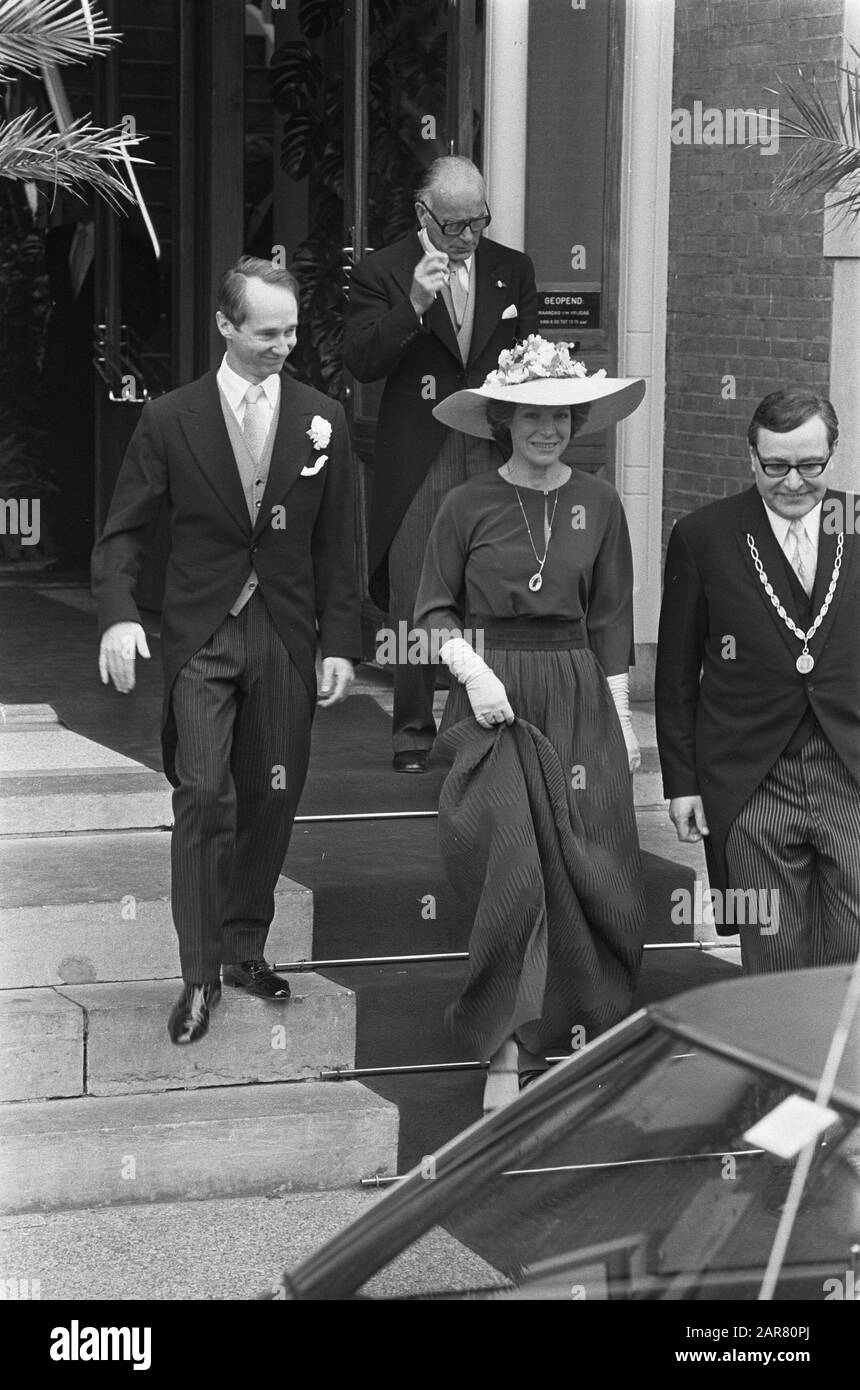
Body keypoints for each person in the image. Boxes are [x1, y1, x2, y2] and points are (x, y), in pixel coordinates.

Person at [91, 257, 360, 1044]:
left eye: (293, 331)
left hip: (284, 634)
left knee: (273, 794)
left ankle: (246, 947)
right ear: (226, 326)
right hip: (202, 634)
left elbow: (342, 542)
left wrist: (341, 643)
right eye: (268, 333)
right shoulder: (171, 419)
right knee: (204, 793)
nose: (285, 346)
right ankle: (199, 973)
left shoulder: (323, 419)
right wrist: (115, 615)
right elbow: (124, 532)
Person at [413, 336, 648, 1111]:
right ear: (504, 419)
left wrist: (621, 715)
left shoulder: (603, 502)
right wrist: (472, 672)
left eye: (563, 417)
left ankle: (595, 1035)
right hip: (494, 697)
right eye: (533, 416)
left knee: (594, 860)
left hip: (579, 693)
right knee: (511, 867)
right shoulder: (465, 505)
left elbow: (612, 618)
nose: (549, 430)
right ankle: (504, 1050)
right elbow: (432, 608)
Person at [343, 155, 539, 772]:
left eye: (477, 221)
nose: (467, 237)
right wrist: (415, 304)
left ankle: (471, 723)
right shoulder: (382, 270)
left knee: (483, 585)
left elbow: (530, 352)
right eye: (454, 225)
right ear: (423, 214)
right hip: (419, 451)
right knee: (413, 589)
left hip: (487, 444)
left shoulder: (513, 268)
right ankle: (410, 729)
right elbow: (362, 359)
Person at [655, 390, 860, 973]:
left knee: (853, 951)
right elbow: (675, 673)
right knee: (772, 951)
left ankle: (846, 1067)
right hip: (748, 776)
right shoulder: (704, 535)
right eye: (775, 466)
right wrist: (682, 782)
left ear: (832, 453)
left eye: (810, 466)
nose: (793, 482)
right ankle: (772, 1067)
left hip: (850, 768)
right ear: (750, 457)